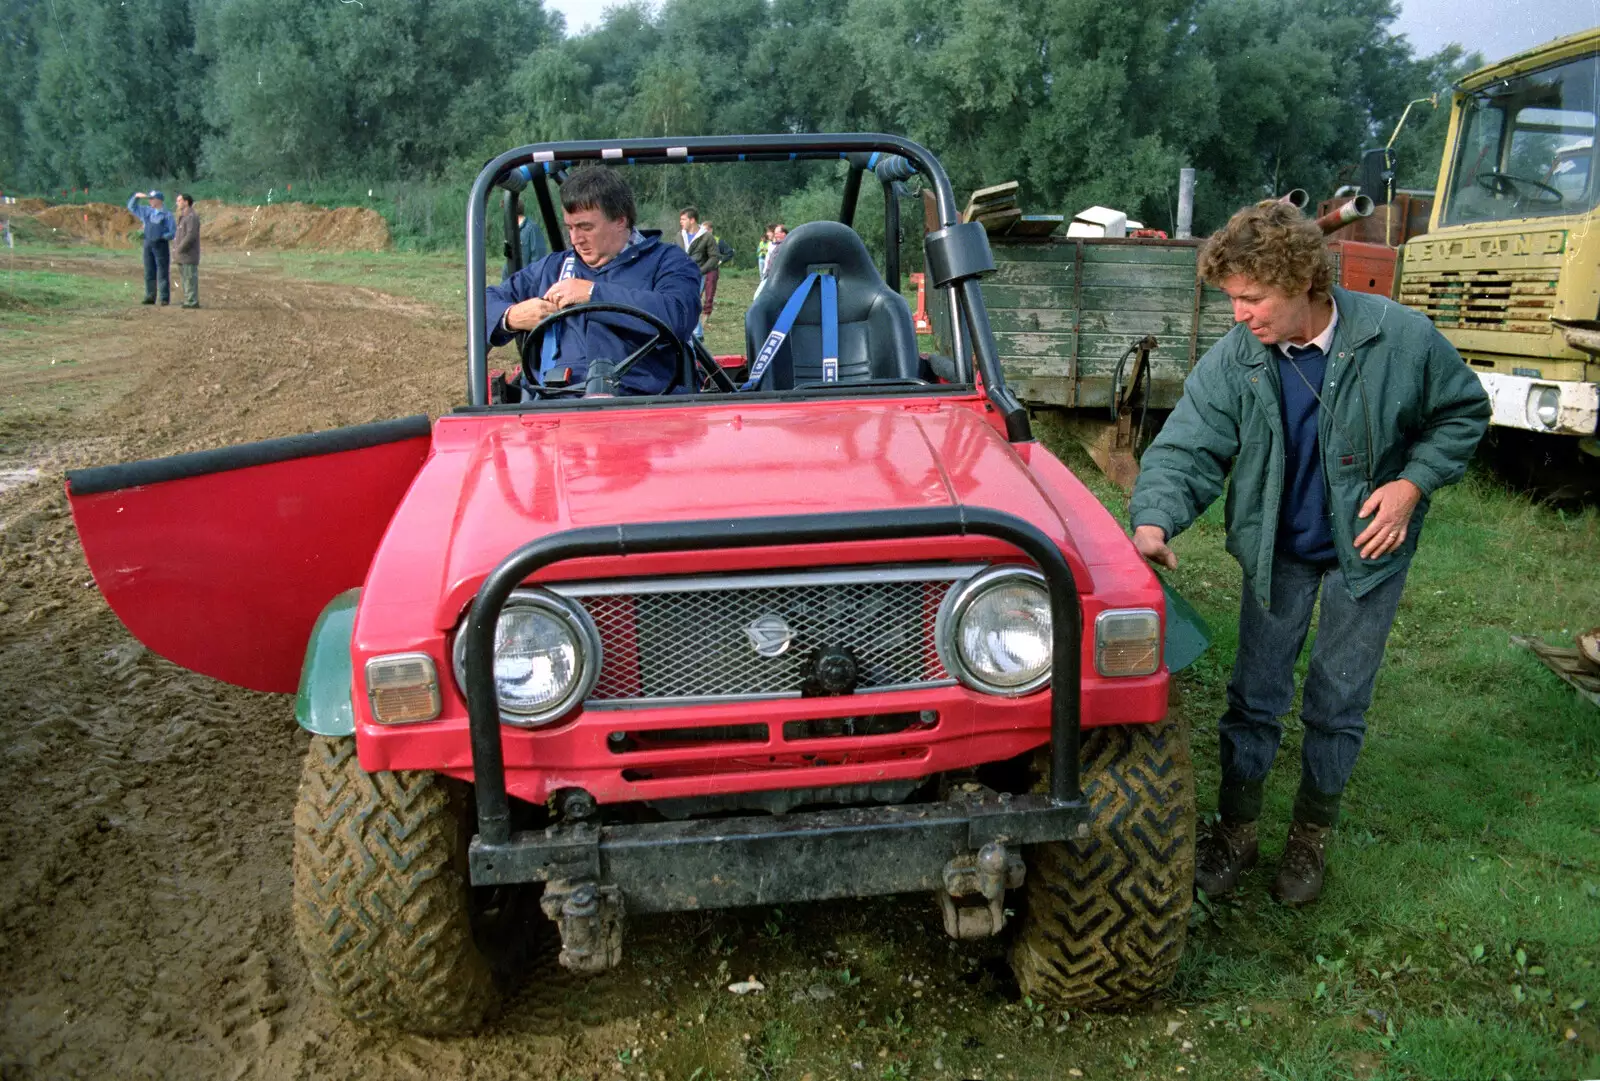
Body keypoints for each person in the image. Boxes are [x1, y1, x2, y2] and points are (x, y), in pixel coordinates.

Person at [1127, 200, 1489, 905]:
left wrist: (1412, 484)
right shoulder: (1238, 358)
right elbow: (1187, 446)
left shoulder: (1401, 339)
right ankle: (1236, 830)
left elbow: (1462, 412)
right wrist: (1153, 521)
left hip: (1368, 551)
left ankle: (1310, 835)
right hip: (1278, 550)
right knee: (1254, 695)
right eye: (1232, 298)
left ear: (1301, 281)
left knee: (1338, 698)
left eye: (1251, 298)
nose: (1239, 314)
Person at [487, 167, 700, 396]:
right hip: (556, 407)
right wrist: (510, 317)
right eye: (570, 227)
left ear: (620, 221)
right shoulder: (554, 268)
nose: (575, 239)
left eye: (586, 227)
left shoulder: (667, 261)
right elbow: (483, 304)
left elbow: (679, 315)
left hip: (643, 406)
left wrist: (592, 294)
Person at [127, 190, 175, 305]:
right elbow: (131, 207)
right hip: (148, 243)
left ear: (159, 200)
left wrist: (162, 236)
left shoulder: (167, 214)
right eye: (149, 198)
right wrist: (136, 197)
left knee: (162, 272)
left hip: (161, 244)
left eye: (152, 198)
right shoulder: (146, 211)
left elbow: (173, 232)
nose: (150, 201)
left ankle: (164, 298)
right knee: (149, 271)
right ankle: (150, 296)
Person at [679, 207, 718, 340]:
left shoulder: (707, 237)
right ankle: (695, 333)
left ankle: (697, 334)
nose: (681, 222)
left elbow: (714, 257)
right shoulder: (679, 235)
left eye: (683, 219)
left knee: (691, 301)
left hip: (697, 275)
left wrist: (700, 271)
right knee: (684, 302)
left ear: (692, 220)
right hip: (681, 275)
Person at [503, 209, 550, 281]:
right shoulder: (510, 229)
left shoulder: (532, 229)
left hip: (526, 283)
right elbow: (508, 259)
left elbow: (538, 258)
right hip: (512, 282)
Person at [172, 194, 201, 309]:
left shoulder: (192, 217)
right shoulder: (183, 216)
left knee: (189, 278)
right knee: (185, 279)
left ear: (186, 202)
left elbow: (191, 235)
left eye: (179, 200)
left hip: (189, 254)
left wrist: (179, 248)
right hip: (182, 255)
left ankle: (192, 301)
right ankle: (188, 300)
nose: (177, 203)